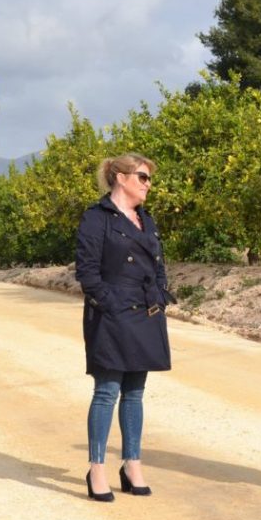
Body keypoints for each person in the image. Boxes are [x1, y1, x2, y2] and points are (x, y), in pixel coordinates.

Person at [74, 153, 173, 502]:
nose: (149, 185)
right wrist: (111, 305)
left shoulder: (146, 219)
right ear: (120, 177)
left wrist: (160, 296)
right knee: (107, 391)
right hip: (112, 313)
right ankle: (96, 468)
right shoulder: (96, 218)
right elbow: (87, 272)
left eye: (149, 179)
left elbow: (159, 265)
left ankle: (132, 464)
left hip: (145, 313)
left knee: (135, 391)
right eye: (143, 177)